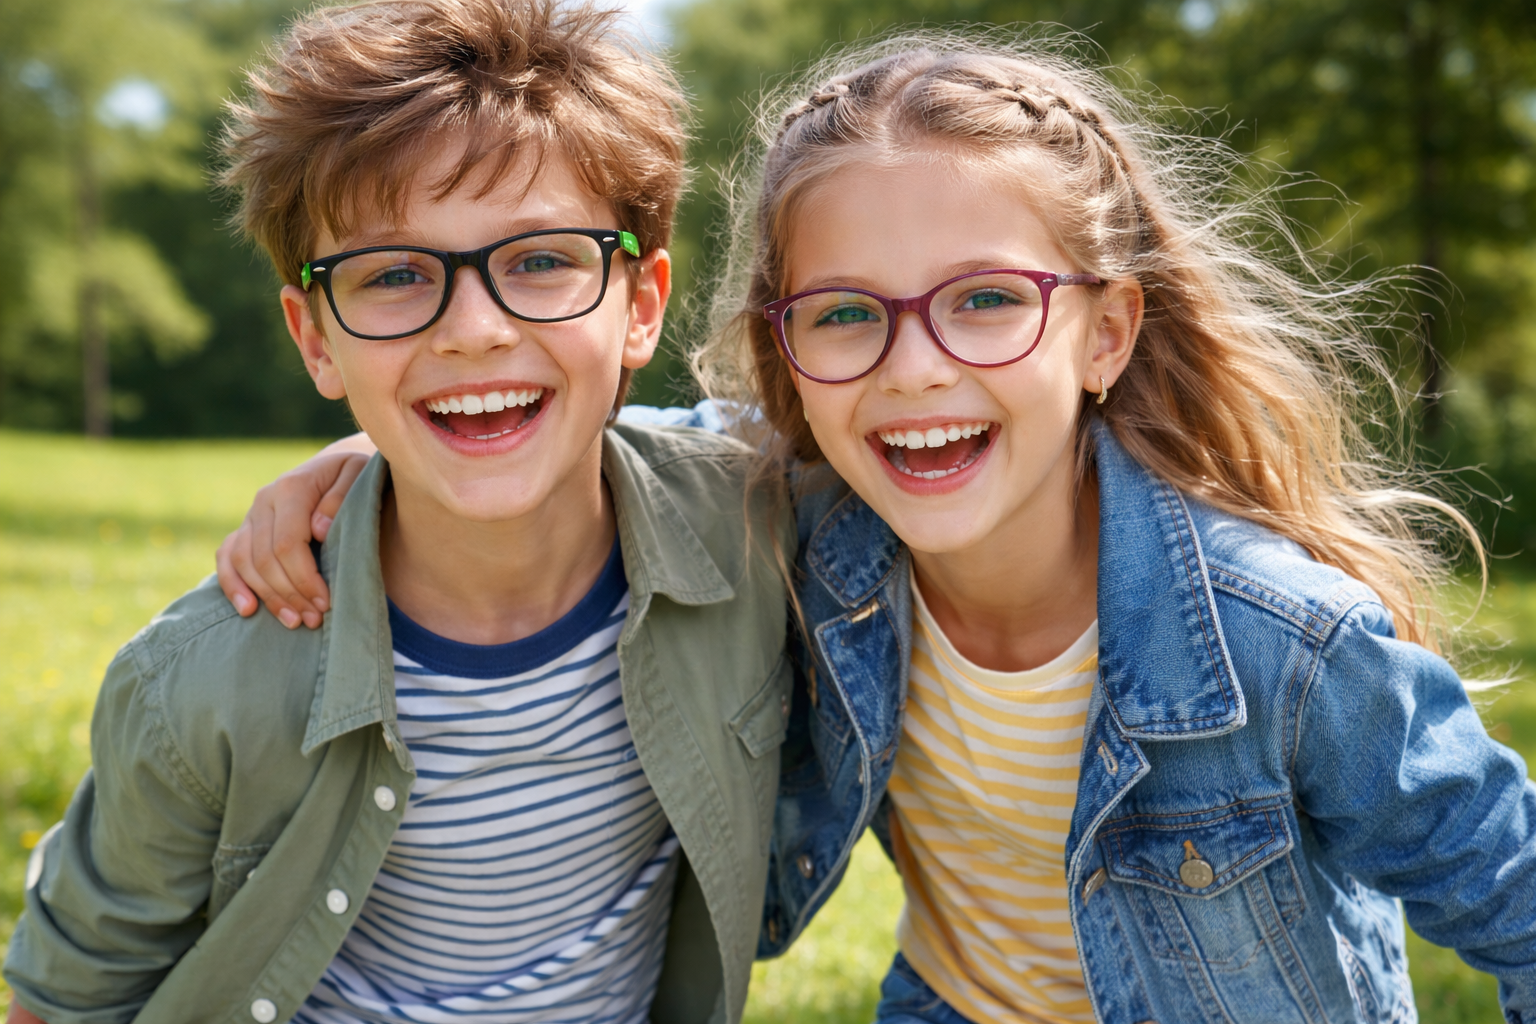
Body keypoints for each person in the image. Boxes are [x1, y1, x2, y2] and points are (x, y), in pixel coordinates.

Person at [214, 34, 1536, 1024]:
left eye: (981, 303)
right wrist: (365, 454)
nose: (913, 367)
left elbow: (1511, 888)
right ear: (787, 359)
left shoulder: (1282, 642)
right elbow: (601, 444)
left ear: (1105, 332)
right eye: (847, 314)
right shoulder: (823, 525)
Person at [2, 2, 796, 1023]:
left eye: (542, 259)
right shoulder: (199, 686)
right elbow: (66, 999)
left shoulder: (754, 515)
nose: (473, 329)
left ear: (640, 303)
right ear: (315, 336)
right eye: (392, 275)